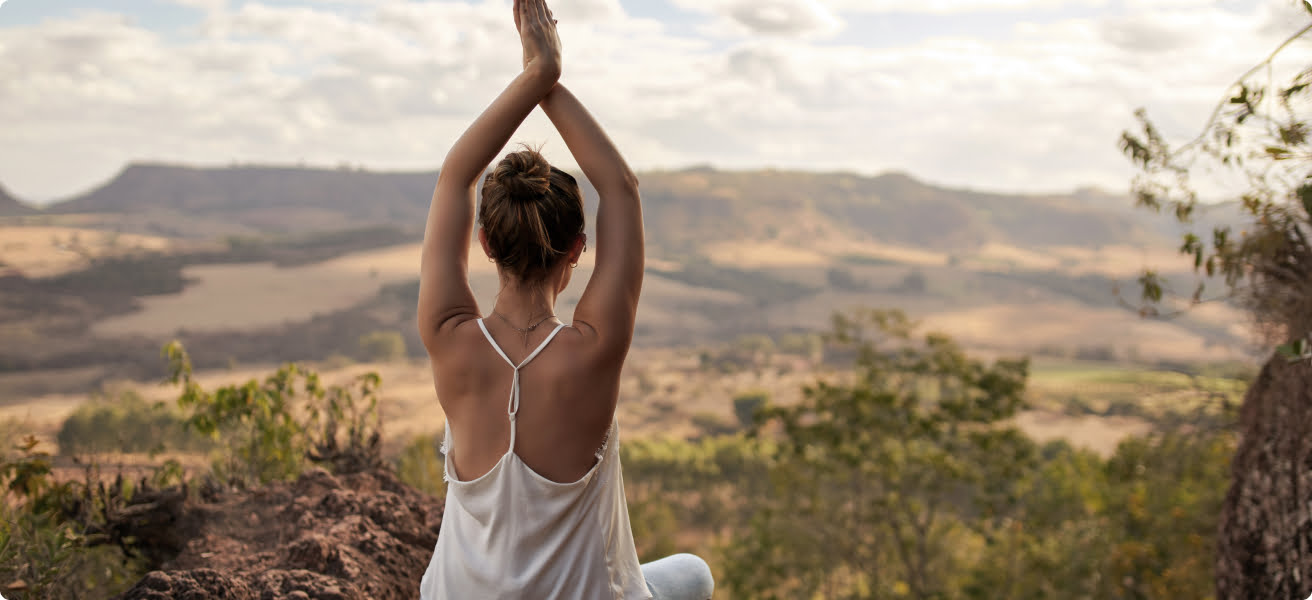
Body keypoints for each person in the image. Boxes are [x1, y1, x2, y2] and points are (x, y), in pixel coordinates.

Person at [415, 0, 714, 598]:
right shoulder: (594, 350)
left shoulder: (448, 336)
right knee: (694, 574)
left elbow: (454, 177)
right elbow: (621, 188)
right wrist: (550, 78)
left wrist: (537, 74)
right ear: (578, 248)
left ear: (484, 243)